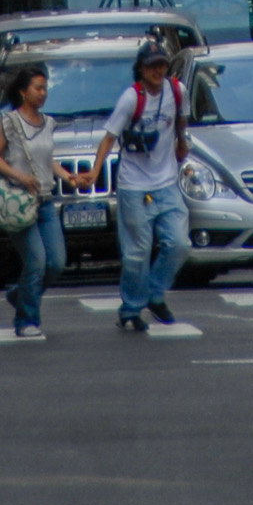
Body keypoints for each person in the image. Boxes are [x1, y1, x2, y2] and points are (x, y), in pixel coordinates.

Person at [85, 40, 190, 333]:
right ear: (141, 69)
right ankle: (131, 308)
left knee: (179, 243)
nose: (157, 71)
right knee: (136, 252)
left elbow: (181, 123)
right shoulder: (131, 99)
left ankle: (154, 294)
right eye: (151, 66)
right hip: (134, 185)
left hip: (167, 181)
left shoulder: (177, 92)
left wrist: (183, 143)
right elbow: (109, 137)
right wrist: (95, 172)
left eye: (161, 65)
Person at [0, 62, 69, 341]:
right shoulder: (9, 122)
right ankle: (26, 319)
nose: (43, 93)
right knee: (36, 261)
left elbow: (46, 159)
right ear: (23, 92)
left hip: (45, 200)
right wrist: (19, 176)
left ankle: (19, 295)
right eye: (38, 88)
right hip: (20, 201)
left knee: (56, 262)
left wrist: (68, 176)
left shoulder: (48, 123)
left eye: (45, 88)